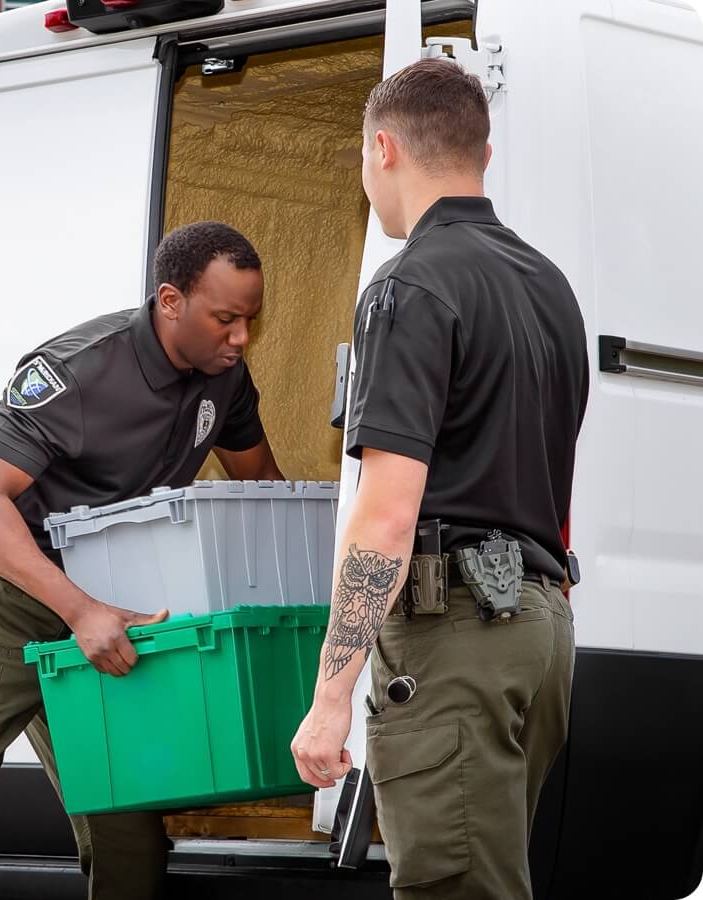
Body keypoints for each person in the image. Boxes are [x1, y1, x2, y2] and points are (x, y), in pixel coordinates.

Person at [0, 221, 286, 900]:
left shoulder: (225, 380)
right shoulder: (78, 369)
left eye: (250, 319)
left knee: (128, 826)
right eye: (226, 319)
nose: (241, 338)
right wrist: (80, 610)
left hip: (102, 607)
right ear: (170, 301)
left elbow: (262, 483)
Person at [289, 57, 589, 899]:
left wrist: (330, 696)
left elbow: (387, 515)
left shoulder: (409, 285)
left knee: (453, 885)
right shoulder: (548, 286)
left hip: (456, 631)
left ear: (381, 148)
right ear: (482, 158)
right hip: (538, 628)